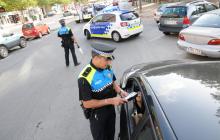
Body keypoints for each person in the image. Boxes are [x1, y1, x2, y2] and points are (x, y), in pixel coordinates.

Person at [78, 42, 128, 140]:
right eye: (107, 59)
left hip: (110, 109)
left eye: (110, 59)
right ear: (96, 58)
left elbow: (113, 82)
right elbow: (87, 104)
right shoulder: (85, 77)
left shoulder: (107, 67)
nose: (109, 62)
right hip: (97, 116)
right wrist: (111, 101)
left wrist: (120, 91)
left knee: (111, 135)